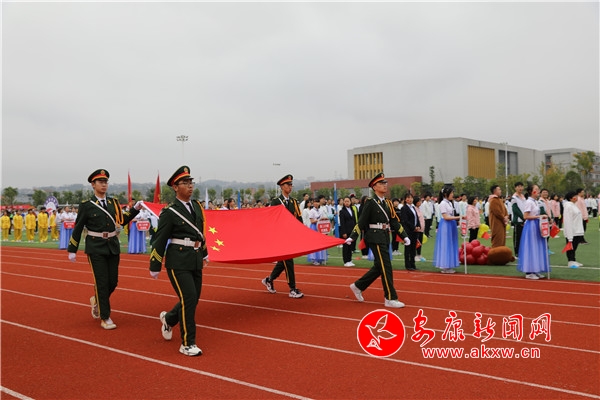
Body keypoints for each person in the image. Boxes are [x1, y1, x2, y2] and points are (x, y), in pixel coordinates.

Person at [68, 169, 142, 330]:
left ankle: (96, 300)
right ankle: (105, 316)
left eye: (105, 182)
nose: (104, 185)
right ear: (93, 185)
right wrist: (72, 248)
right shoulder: (87, 205)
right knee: (101, 282)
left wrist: (135, 209)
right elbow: (78, 227)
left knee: (113, 282)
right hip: (95, 247)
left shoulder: (113, 202)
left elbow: (121, 220)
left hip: (112, 245)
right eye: (100, 182)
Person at [149, 166, 208, 356]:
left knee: (193, 298)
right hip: (178, 260)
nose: (190, 186)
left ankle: (169, 319)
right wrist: (155, 264)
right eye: (185, 183)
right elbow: (159, 239)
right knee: (189, 298)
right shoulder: (170, 212)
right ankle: (187, 343)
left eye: (191, 182)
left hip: (195, 258)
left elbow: (200, 233)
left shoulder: (197, 206)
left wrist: (204, 253)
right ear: (175, 187)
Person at [346, 173, 409, 308]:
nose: (385, 185)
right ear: (374, 187)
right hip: (375, 237)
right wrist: (353, 236)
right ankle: (390, 298)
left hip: (385, 236)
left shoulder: (387, 202)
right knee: (386, 266)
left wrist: (404, 235)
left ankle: (358, 286)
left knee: (379, 266)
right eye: (381, 184)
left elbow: (394, 221)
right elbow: (361, 221)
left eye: (385, 183)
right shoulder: (370, 202)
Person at [262, 174, 304, 299]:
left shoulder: (293, 201)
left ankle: (269, 279)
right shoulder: (276, 201)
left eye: (291, 185)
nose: (290, 187)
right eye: (287, 185)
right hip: (280, 237)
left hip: (290, 236)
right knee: (289, 261)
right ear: (282, 186)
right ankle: (292, 288)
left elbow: (299, 219)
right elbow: (271, 219)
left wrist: (302, 232)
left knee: (283, 261)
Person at [517, 184, 550, 280]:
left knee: (536, 246)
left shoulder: (535, 202)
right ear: (531, 191)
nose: (538, 191)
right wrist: (539, 216)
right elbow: (525, 216)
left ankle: (535, 269)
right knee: (531, 247)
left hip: (536, 225)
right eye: (536, 189)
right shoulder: (529, 202)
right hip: (531, 225)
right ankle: (529, 271)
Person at [433, 186, 462, 273]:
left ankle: (449, 264)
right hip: (446, 225)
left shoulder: (449, 203)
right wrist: (458, 217)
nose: (453, 194)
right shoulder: (443, 203)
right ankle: (445, 266)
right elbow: (446, 217)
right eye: (451, 193)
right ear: (446, 194)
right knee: (446, 244)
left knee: (451, 243)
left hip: (451, 224)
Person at [562, 191, 584, 268]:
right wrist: (569, 235)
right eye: (575, 196)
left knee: (574, 246)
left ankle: (573, 260)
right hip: (572, 230)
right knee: (571, 246)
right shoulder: (568, 206)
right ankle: (570, 261)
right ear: (570, 198)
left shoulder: (574, 205)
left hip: (577, 230)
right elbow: (568, 220)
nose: (577, 197)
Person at [400, 193, 420, 271]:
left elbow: (416, 218)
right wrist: (414, 227)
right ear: (405, 199)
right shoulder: (404, 208)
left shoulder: (413, 207)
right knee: (408, 248)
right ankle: (408, 265)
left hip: (415, 231)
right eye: (408, 198)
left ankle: (413, 264)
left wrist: (418, 226)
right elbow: (405, 220)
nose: (410, 199)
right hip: (408, 231)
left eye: (411, 198)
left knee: (413, 248)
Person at [307, 197, 328, 265]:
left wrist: (324, 219)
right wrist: (318, 220)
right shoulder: (312, 211)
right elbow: (312, 221)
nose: (316, 203)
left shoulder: (320, 210)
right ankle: (314, 259)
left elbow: (322, 218)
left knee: (320, 242)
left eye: (317, 202)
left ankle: (320, 258)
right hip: (314, 227)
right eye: (315, 202)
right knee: (314, 243)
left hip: (319, 227)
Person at [338, 196, 357, 267]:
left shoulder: (352, 210)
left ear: (350, 202)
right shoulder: (342, 211)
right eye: (345, 201)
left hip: (352, 231)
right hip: (346, 231)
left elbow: (354, 220)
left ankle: (349, 259)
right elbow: (342, 223)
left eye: (348, 201)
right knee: (346, 247)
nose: (346, 203)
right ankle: (346, 261)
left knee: (350, 246)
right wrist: (344, 232)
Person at [511, 182, 527, 258]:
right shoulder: (514, 197)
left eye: (521, 186)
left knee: (524, 237)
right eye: (518, 186)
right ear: (515, 188)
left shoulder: (523, 197)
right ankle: (517, 253)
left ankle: (523, 251)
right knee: (518, 237)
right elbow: (515, 210)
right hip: (518, 220)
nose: (520, 188)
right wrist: (523, 218)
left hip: (525, 219)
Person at [414, 196, 426, 262]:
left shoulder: (419, 209)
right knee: (417, 243)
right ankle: (415, 255)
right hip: (417, 229)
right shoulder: (414, 209)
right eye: (419, 201)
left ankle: (419, 254)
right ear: (417, 202)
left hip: (421, 230)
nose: (421, 202)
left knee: (420, 243)